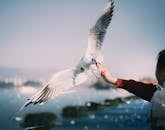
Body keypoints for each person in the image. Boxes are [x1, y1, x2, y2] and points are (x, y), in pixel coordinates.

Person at [96, 49, 165, 130]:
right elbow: (136, 87)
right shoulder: (157, 91)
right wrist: (111, 79)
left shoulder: (159, 95)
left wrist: (110, 79)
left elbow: (137, 87)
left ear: (162, 71)